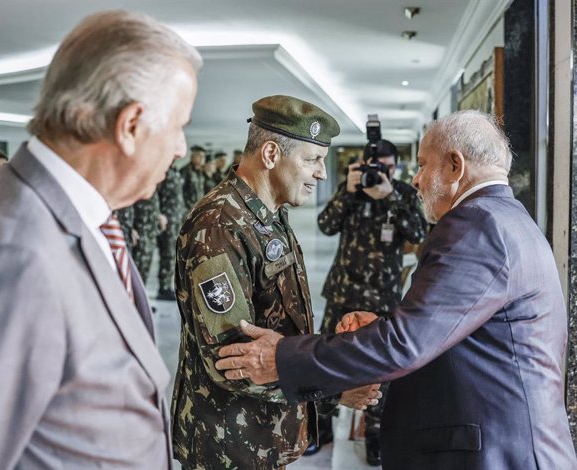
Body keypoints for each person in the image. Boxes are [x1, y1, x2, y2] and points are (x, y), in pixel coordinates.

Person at [0, 11, 201, 469]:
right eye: (178, 125)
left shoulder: (81, 216)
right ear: (130, 125)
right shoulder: (13, 253)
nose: (180, 148)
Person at [215, 110, 577, 470]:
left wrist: (279, 358)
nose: (417, 179)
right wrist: (382, 326)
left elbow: (405, 342)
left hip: (497, 452)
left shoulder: (477, 225)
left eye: (422, 165)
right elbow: (459, 328)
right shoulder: (505, 216)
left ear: (455, 166)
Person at [172, 95, 380, 470]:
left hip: (262, 434)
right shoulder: (219, 226)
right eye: (312, 160)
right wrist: (332, 385)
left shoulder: (268, 214)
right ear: (271, 154)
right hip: (229, 445)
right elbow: (231, 359)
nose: (321, 173)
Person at [314, 139, 426, 462]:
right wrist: (348, 193)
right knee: (327, 359)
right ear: (363, 166)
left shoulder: (402, 193)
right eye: (377, 168)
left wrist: (389, 196)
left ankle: (375, 434)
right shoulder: (351, 188)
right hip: (343, 290)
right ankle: (321, 425)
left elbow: (418, 234)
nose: (382, 174)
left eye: (389, 168)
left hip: (383, 295)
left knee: (383, 370)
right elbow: (325, 225)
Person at [156, 163, 184, 300]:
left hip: (176, 219)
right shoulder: (162, 170)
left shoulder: (174, 170)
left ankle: (168, 285)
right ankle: (163, 287)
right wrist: (159, 214)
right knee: (167, 253)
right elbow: (156, 194)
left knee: (173, 253)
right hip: (167, 220)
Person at [132, 192, 161, 283]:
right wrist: (131, 227)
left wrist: (158, 215)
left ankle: (141, 290)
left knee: (146, 263)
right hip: (139, 226)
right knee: (137, 264)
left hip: (150, 226)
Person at [180, 144, 206, 212]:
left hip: (198, 209)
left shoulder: (200, 172)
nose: (202, 159)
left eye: (203, 156)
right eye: (200, 156)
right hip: (187, 210)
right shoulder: (185, 171)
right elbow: (180, 192)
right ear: (193, 156)